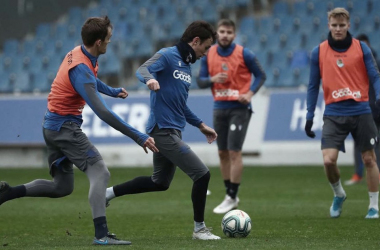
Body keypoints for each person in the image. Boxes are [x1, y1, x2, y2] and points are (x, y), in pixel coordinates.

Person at [0, 16, 158, 245]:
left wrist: (112, 91)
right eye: (108, 39)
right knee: (100, 172)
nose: (109, 43)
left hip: (53, 126)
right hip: (65, 128)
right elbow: (102, 112)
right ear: (97, 42)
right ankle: (101, 235)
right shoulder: (81, 68)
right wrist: (139, 136)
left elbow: (90, 81)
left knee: (61, 187)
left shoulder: (81, 52)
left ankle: (8, 192)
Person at [105, 21, 221, 240]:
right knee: (202, 174)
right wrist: (149, 80)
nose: (206, 53)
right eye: (206, 47)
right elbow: (142, 69)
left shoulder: (186, 66)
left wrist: (200, 125)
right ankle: (200, 229)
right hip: (162, 131)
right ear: (195, 41)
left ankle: (108, 193)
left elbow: (180, 104)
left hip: (174, 131)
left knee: (159, 182)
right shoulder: (167, 55)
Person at [305, 8, 380, 219]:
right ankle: (339, 194)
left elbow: (375, 75)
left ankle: (373, 206)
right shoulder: (318, 52)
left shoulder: (361, 48)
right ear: (329, 26)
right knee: (328, 160)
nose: (338, 29)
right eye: (334, 25)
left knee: (369, 159)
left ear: (348, 26)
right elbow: (312, 86)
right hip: (334, 112)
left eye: (342, 25)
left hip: (361, 110)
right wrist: (310, 115)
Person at [196, 19, 266, 214]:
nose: (225, 35)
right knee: (222, 153)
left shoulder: (245, 54)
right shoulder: (209, 54)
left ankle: (232, 196)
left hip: (239, 108)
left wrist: (250, 93)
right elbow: (200, 81)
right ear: (217, 34)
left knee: (234, 151)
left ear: (234, 35)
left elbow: (261, 75)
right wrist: (212, 79)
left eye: (229, 32)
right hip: (219, 107)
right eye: (222, 32)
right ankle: (229, 194)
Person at [345, 33, 380, 185]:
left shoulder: (377, 64)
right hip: (359, 109)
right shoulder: (352, 66)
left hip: (376, 110)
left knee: (376, 143)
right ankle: (358, 174)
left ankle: (376, 174)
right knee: (359, 143)